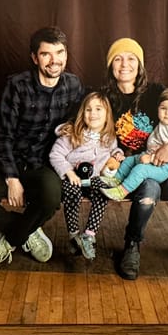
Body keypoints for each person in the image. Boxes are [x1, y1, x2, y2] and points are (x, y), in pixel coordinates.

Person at [0, 26, 84, 271]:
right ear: (34, 57)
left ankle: (8, 242)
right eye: (46, 54)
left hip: (43, 163)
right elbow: (3, 135)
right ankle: (28, 230)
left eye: (59, 52)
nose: (54, 60)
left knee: (52, 196)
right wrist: (11, 178)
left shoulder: (73, 86)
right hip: (7, 160)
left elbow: (76, 128)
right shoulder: (17, 86)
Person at [102, 38, 168, 284]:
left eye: (131, 58)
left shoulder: (155, 92)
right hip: (137, 163)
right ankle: (132, 245)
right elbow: (97, 131)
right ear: (110, 67)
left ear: (140, 65)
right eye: (118, 59)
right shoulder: (105, 97)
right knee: (147, 195)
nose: (124, 64)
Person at [49, 91, 124, 260]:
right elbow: (55, 155)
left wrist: (117, 153)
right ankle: (74, 235)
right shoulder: (72, 134)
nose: (93, 114)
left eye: (99, 109)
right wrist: (68, 172)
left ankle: (89, 235)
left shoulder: (109, 137)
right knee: (71, 193)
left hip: (94, 179)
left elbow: (113, 150)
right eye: (88, 110)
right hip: (73, 178)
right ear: (82, 114)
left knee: (103, 191)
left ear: (107, 115)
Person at [101, 87, 168, 201]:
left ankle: (121, 191)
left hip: (164, 166)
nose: (167, 113)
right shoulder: (164, 124)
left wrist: (150, 159)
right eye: (163, 108)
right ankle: (116, 180)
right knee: (129, 161)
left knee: (140, 170)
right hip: (148, 155)